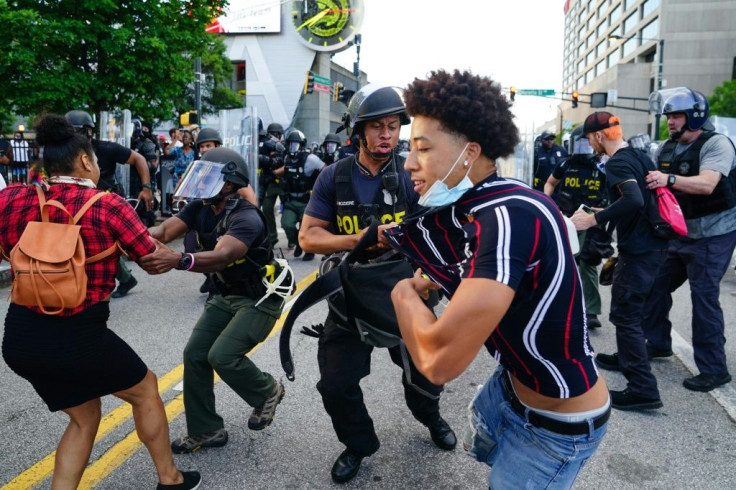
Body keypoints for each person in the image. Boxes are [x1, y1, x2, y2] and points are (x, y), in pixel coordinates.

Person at [388, 69, 610, 490]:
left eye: (422, 148)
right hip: (508, 389)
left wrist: (403, 294)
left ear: (469, 153)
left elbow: (438, 363)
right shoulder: (496, 198)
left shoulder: (506, 218)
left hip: (555, 429)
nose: (409, 163)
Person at [0, 114, 200, 490]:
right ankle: (170, 479)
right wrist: (174, 254)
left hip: (20, 339)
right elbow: (150, 261)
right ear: (87, 161)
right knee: (144, 390)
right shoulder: (106, 205)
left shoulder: (10, 199)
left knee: (85, 415)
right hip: (79, 336)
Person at [299, 84, 457, 484]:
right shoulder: (333, 178)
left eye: (393, 126)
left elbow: (441, 232)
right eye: (377, 127)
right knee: (335, 384)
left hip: (405, 291)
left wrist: (431, 276)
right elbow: (308, 238)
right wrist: (367, 237)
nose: (387, 134)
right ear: (357, 131)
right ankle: (359, 444)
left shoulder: (412, 173)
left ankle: (430, 417)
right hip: (349, 297)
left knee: (426, 375)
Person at [141, 147, 292, 454]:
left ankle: (267, 390)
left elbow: (224, 255)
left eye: (207, 177)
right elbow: (164, 230)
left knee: (221, 355)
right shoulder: (200, 208)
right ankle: (206, 430)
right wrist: (128, 235)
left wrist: (178, 260)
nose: (200, 183)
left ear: (228, 184)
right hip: (224, 294)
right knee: (195, 354)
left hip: (259, 297)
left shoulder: (246, 216)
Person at [571, 111, 669, 411]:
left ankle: (642, 388)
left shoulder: (617, 162)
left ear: (599, 136)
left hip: (640, 250)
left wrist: (593, 219)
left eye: (590, 139)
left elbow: (634, 199)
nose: (591, 145)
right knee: (632, 311)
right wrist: (608, 208)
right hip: (655, 244)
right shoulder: (639, 155)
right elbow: (638, 197)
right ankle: (627, 359)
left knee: (625, 314)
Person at [641, 87, 736, 392]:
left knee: (703, 296)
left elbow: (707, 184)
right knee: (655, 284)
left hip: (715, 232)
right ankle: (656, 343)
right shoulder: (666, 149)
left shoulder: (717, 144)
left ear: (694, 116)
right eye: (669, 115)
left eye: (677, 115)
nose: (670, 121)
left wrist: (668, 179)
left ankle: (714, 369)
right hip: (680, 232)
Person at [65, 110, 155, 299]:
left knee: (103, 241)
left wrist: (146, 187)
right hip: (78, 202)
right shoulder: (66, 154)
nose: (73, 137)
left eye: (77, 132)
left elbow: (139, 159)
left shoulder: (106, 148)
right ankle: (123, 278)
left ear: (88, 132)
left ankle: (124, 277)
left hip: (105, 200)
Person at [544, 125, 611, 329]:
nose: (584, 147)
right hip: (568, 219)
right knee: (566, 262)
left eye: (586, 142)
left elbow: (615, 189)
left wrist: (606, 210)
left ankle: (591, 311)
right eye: (579, 143)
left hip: (592, 219)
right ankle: (565, 306)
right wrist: (549, 204)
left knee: (588, 263)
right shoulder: (564, 164)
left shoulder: (602, 165)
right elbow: (550, 184)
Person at [278, 129, 324, 260]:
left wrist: (320, 188)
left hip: (306, 201)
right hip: (290, 200)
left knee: (307, 228)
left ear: (302, 145)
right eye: (290, 144)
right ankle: (299, 244)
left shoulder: (311, 159)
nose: (292, 148)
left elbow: (326, 170)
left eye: (295, 144)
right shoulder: (285, 158)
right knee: (287, 224)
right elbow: (280, 171)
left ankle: (309, 250)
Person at [258, 123, 286, 247]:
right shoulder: (265, 144)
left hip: (285, 183)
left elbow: (284, 163)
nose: (275, 136)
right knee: (267, 208)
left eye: (277, 134)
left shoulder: (283, 145)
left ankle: (293, 238)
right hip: (270, 182)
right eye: (272, 134)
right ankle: (272, 237)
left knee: (289, 212)